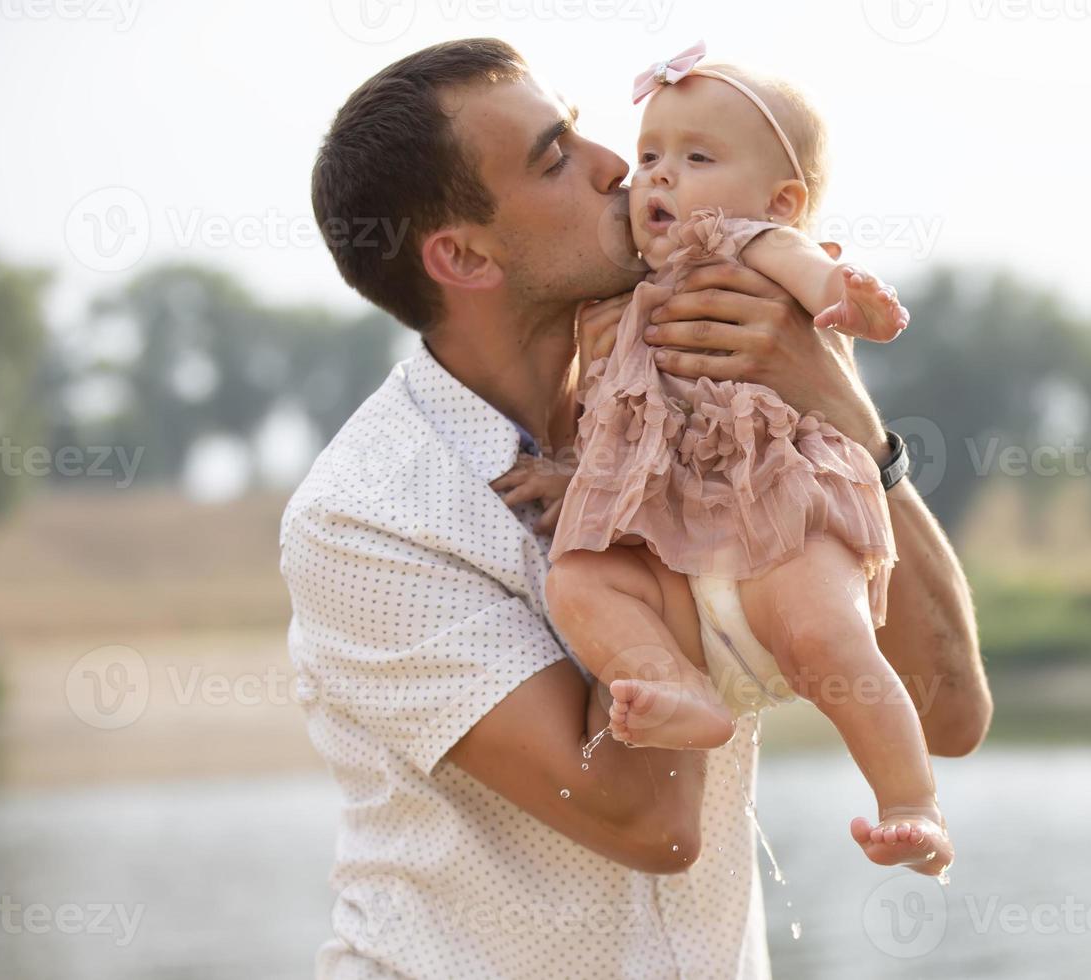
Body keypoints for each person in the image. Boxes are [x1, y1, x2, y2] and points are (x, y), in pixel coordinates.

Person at [282, 37, 991, 979]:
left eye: (580, 130)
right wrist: (674, 510)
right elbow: (650, 823)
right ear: (462, 255)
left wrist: (849, 430)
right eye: (555, 158)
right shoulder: (365, 520)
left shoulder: (723, 393)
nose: (619, 164)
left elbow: (948, 717)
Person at [528, 41, 950, 877]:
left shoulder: (749, 244)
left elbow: (812, 273)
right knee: (578, 579)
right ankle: (672, 685)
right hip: (672, 540)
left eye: (694, 157)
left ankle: (911, 805)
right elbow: (613, 420)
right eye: (649, 156)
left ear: (781, 199)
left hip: (777, 500)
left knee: (829, 636)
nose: (657, 177)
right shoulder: (618, 302)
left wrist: (849, 300)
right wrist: (565, 474)